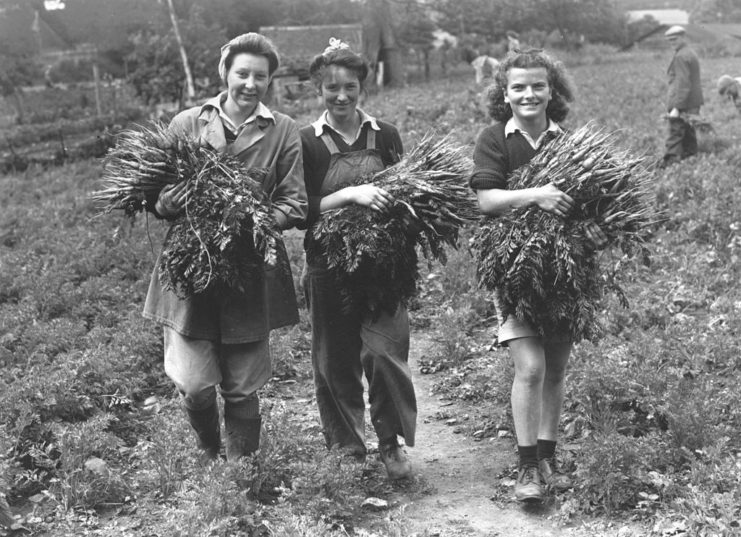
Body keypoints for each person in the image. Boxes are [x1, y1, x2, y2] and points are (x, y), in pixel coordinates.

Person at [143, 33, 307, 463]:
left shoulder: (283, 130)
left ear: (270, 81)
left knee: (242, 381)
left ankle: (240, 469)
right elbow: (156, 193)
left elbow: (296, 202)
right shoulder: (187, 124)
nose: (250, 84)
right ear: (224, 74)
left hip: (248, 268)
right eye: (242, 74)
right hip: (191, 269)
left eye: (261, 76)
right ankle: (208, 447)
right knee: (195, 382)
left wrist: (257, 219)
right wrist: (165, 202)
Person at [469, 49, 606, 503]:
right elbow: (486, 201)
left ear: (553, 91)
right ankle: (526, 467)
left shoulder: (570, 143)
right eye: (519, 87)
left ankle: (548, 457)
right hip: (515, 273)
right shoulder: (494, 138)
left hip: (566, 273)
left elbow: (588, 207)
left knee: (557, 368)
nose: (529, 94)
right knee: (530, 367)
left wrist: (594, 229)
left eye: (538, 86)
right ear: (504, 94)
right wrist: (538, 195)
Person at [299, 38, 417, 480]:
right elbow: (298, 210)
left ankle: (390, 444)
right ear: (318, 90)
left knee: (385, 353)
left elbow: (406, 191)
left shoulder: (384, 134)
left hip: (385, 265)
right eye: (332, 89)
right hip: (328, 266)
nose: (342, 96)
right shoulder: (306, 142)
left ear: (362, 87)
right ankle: (348, 449)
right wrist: (348, 194)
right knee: (334, 359)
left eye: (350, 86)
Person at [662, 25, 704, 167]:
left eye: (674, 39)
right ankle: (691, 156)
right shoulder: (689, 52)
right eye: (670, 40)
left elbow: (682, 83)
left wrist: (677, 107)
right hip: (693, 101)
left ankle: (671, 162)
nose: (672, 42)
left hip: (684, 101)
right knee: (688, 129)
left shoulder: (681, 56)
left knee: (676, 130)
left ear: (683, 37)